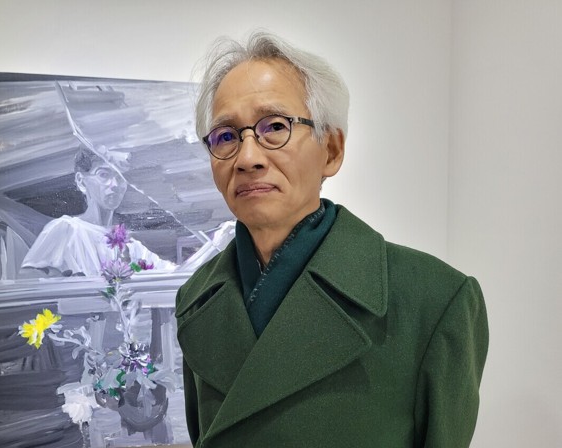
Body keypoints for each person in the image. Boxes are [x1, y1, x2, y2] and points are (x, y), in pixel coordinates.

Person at [175, 31, 488, 447]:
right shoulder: (197, 299)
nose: (247, 158)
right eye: (227, 136)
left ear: (332, 150)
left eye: (275, 127)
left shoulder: (434, 300)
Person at [21, 146, 174, 277]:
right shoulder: (66, 229)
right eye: (103, 175)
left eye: (120, 177)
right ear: (81, 181)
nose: (115, 184)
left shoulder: (130, 245)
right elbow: (27, 277)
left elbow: (171, 273)